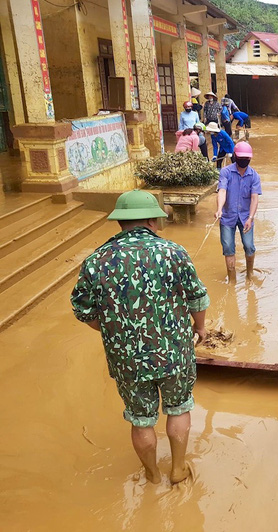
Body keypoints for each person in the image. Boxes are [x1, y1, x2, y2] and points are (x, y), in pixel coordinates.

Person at [71, 189, 209, 485]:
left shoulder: (96, 261)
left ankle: (153, 475)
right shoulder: (173, 252)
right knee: (179, 406)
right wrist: (200, 329)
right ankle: (178, 469)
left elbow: (82, 310)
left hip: (127, 360)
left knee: (141, 418)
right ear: (152, 220)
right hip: (174, 353)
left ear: (120, 223)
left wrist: (112, 331)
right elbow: (197, 299)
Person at [215, 141, 262, 283]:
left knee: (249, 246)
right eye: (241, 158)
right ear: (235, 156)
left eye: (246, 159)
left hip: (246, 217)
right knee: (228, 247)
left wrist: (251, 218)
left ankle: (249, 274)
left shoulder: (254, 176)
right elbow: (222, 191)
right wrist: (219, 209)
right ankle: (232, 279)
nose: (243, 161)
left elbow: (254, 198)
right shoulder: (226, 172)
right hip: (227, 216)